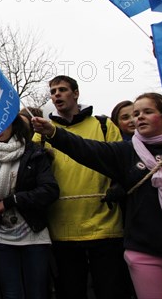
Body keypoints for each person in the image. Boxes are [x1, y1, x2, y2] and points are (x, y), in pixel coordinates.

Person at [32, 92, 162, 299]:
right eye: (136, 114)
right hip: (143, 251)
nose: (139, 117)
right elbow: (86, 149)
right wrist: (54, 132)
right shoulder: (125, 152)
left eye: (147, 112)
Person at [34, 75, 127, 299]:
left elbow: (123, 164)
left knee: (110, 291)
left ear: (75, 93)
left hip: (105, 226)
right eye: (53, 91)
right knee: (71, 291)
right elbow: (33, 174)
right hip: (62, 228)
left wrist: (120, 188)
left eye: (62, 89)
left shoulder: (104, 126)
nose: (56, 94)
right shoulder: (43, 132)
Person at [0, 114, 59, 299]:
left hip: (34, 234)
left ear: (14, 126)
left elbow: (49, 190)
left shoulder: (34, 153)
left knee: (37, 292)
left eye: (3, 124)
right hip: (1, 236)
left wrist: (12, 201)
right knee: (11, 293)